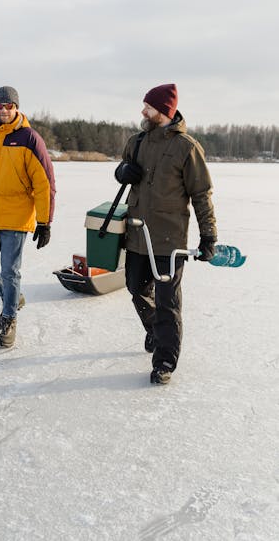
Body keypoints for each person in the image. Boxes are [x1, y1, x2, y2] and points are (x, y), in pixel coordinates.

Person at [115, 83, 217, 385]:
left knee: (168, 302)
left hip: (169, 240)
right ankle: (154, 330)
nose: (142, 111)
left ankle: (164, 362)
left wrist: (208, 235)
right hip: (136, 234)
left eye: (148, 107)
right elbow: (122, 169)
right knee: (135, 288)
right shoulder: (136, 141)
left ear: (163, 111)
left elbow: (202, 194)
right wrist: (122, 171)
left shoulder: (187, 147)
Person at [0, 85, 56, 348]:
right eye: (0, 106)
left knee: (10, 272)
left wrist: (44, 221)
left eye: (9, 106)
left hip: (16, 217)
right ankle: (12, 298)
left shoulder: (29, 138)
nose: (4, 111)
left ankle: (9, 318)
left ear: (17, 108)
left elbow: (44, 183)